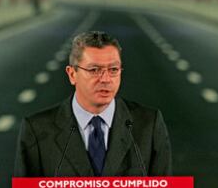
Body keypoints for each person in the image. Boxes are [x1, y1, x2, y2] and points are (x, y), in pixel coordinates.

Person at [14, 31, 172, 177]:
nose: (105, 79)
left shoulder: (149, 125)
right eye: (94, 70)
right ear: (72, 74)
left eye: (113, 69)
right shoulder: (37, 129)